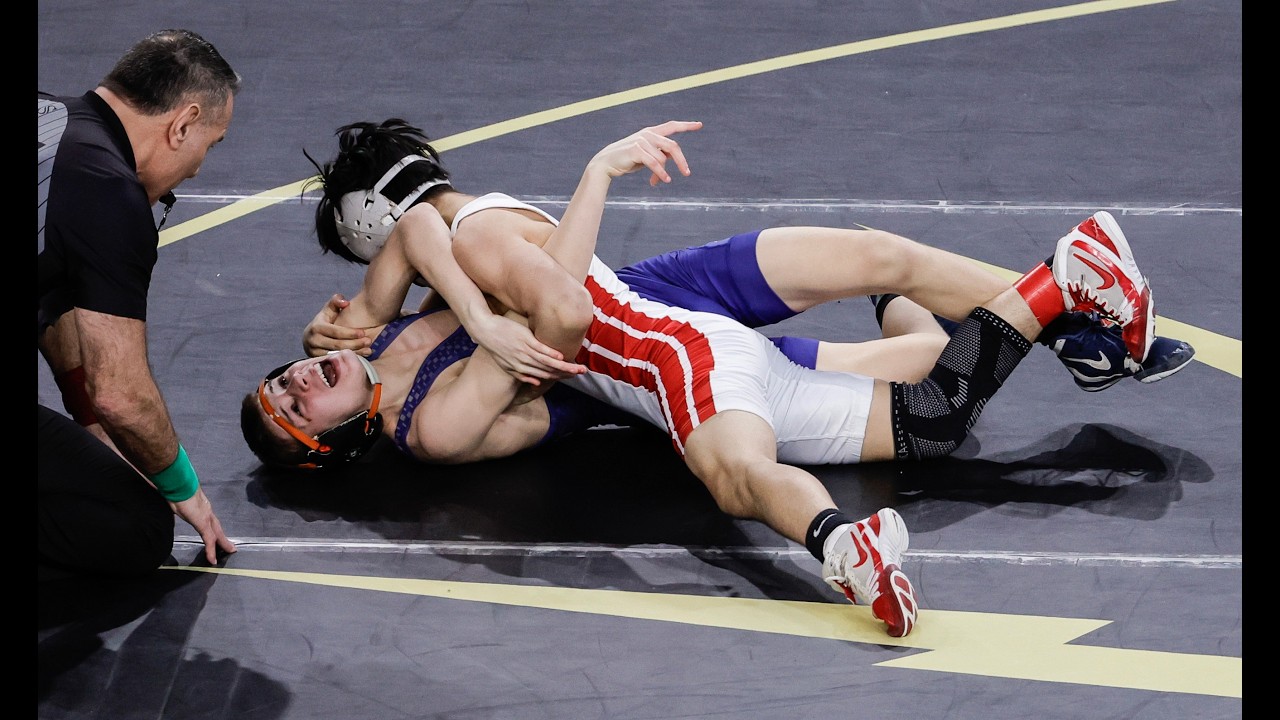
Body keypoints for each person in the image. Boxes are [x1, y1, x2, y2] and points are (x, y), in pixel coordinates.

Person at [243, 122, 1179, 638]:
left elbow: (440, 251)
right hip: (684, 349)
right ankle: (1064, 283)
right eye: (296, 404)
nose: (297, 380)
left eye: (283, 380)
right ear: (334, 440)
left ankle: (842, 548)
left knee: (734, 479)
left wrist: (471, 311)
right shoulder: (431, 413)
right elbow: (480, 272)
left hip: (676, 355)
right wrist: (472, 308)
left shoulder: (432, 280)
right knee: (933, 410)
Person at [299, 118, 1194, 393]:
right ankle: (1074, 320)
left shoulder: (447, 234)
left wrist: (351, 324)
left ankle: (1080, 320)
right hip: (637, 341)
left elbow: (400, 262)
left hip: (644, 287)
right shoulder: (445, 236)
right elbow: (395, 281)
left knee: (877, 252)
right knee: (914, 359)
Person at [39, 29, 241, 579]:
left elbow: (50, 294)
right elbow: (123, 396)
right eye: (210, 143)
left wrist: (86, 418)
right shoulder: (109, 191)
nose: (198, 168)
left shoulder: (48, 117)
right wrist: (187, 493)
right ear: (181, 124)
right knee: (137, 526)